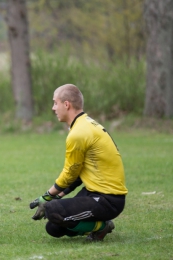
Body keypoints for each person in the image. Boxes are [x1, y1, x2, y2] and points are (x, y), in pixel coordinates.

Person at [30, 84, 128, 241]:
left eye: (55, 103)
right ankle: (96, 224)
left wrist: (47, 196)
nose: (53, 108)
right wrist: (56, 196)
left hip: (108, 199)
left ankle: (103, 226)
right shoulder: (84, 124)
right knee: (53, 227)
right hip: (93, 192)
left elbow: (70, 173)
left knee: (53, 211)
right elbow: (77, 175)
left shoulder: (78, 132)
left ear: (66, 104)